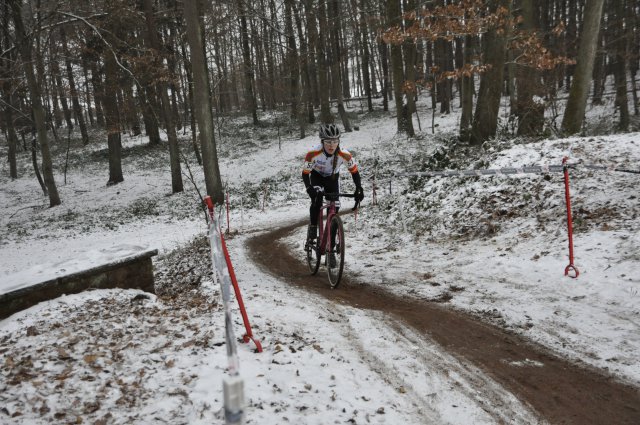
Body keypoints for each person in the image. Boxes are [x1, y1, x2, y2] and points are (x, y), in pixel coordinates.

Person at [302, 124, 364, 253]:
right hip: (317, 176)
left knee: (335, 208)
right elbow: (305, 173)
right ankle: (313, 226)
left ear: (339, 142)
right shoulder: (313, 153)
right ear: (322, 142)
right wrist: (309, 188)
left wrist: (359, 188)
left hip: (332, 178)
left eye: (335, 141)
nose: (331, 145)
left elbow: (354, 172)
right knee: (317, 199)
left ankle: (331, 245)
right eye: (328, 142)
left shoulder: (344, 154)